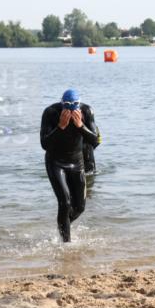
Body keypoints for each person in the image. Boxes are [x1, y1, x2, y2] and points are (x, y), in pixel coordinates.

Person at [40, 89, 99, 242]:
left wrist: (80, 126)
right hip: (56, 163)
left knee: (79, 207)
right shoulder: (51, 112)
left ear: (79, 103)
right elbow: (44, 144)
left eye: (75, 105)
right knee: (65, 202)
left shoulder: (87, 111)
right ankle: (66, 243)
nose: (71, 109)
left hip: (77, 163)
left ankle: (62, 226)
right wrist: (60, 127)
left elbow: (95, 141)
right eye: (67, 106)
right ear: (62, 103)